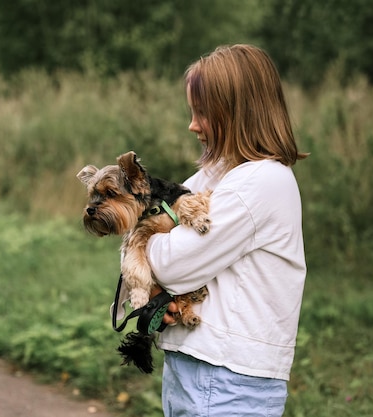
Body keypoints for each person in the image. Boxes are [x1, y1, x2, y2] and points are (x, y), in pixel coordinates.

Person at [145, 44, 308, 417]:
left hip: (226, 383)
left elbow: (169, 263)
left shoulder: (260, 181)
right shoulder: (219, 175)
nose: (193, 125)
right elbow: (145, 225)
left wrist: (148, 242)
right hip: (200, 373)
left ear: (237, 113)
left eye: (202, 113)